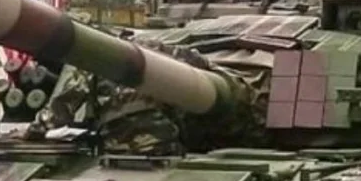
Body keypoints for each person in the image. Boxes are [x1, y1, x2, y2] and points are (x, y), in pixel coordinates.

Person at [23, 37, 269, 155]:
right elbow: (200, 66)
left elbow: (59, 110)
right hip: (163, 144)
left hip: (128, 146)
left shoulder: (90, 58)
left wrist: (33, 132)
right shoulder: (159, 49)